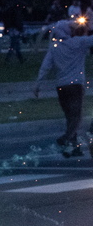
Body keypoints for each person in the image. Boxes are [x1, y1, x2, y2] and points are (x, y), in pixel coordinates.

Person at [33, 20, 93, 157]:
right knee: (76, 117)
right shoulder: (77, 42)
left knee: (69, 117)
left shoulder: (54, 47)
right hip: (76, 85)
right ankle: (65, 139)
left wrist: (38, 84)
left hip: (61, 87)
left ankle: (73, 147)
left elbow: (45, 66)